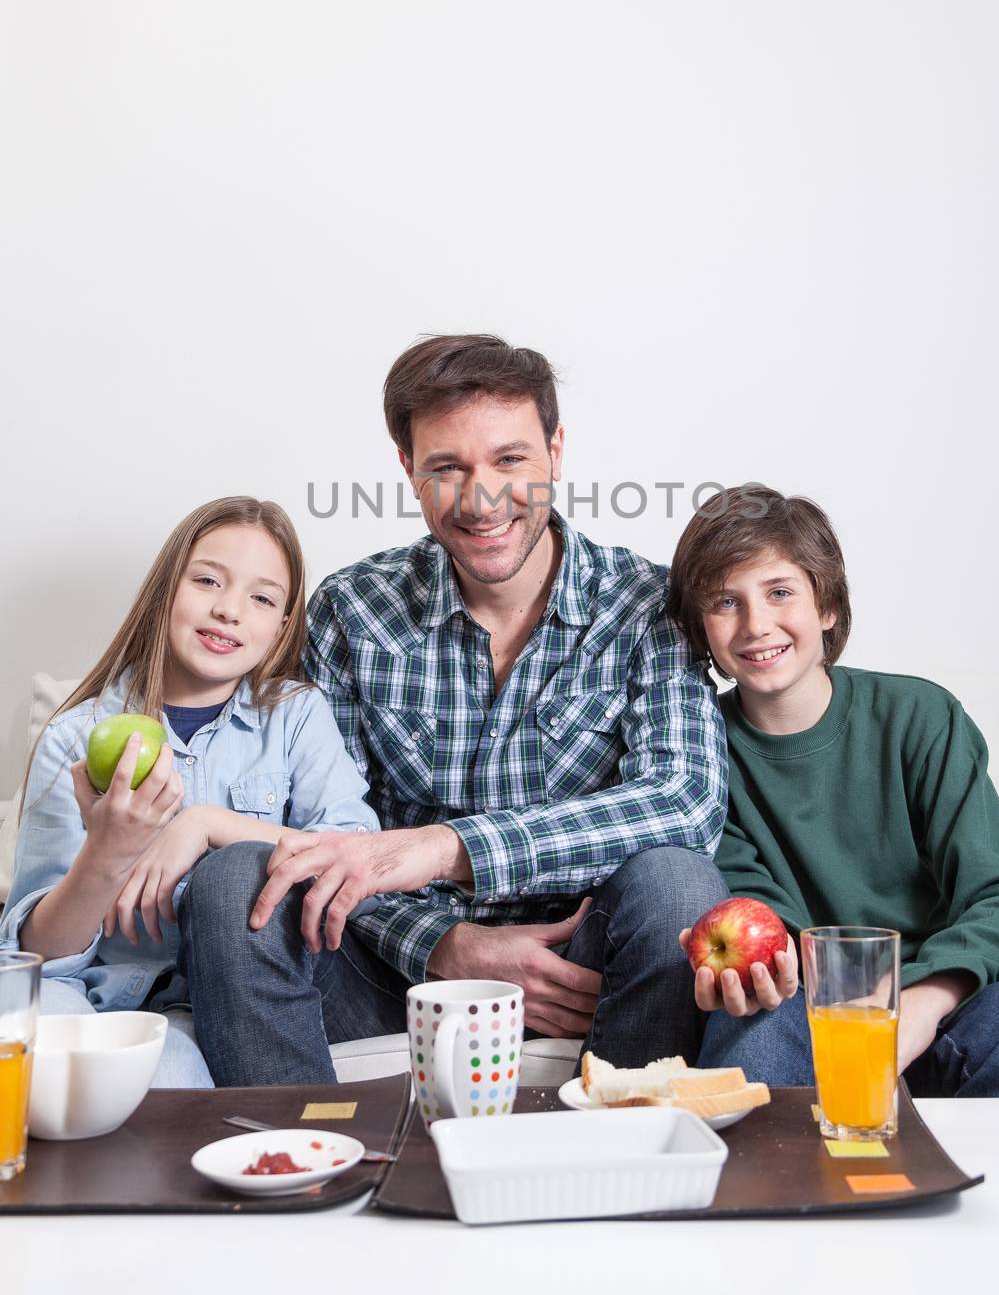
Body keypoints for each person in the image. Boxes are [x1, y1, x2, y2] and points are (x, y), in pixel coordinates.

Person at [178, 335, 730, 1086]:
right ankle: (298, 1161)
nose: (482, 500)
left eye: (510, 460)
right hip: (388, 974)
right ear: (408, 470)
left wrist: (448, 847)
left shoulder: (649, 605)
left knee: (678, 881)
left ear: (555, 452)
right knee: (236, 879)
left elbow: (683, 803)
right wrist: (443, 942)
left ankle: (626, 1144)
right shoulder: (351, 610)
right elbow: (314, 835)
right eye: (447, 468)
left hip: (583, 976)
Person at [666, 485, 999, 1097]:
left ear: (825, 605)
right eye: (725, 602)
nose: (756, 625)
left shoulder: (920, 717)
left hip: (941, 1007)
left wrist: (922, 1004)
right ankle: (776, 1190)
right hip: (804, 1011)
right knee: (753, 1031)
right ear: (702, 630)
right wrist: (754, 977)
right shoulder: (696, 745)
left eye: (779, 592)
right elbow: (757, 914)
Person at [0, 497, 379, 1087]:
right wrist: (106, 853)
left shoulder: (296, 716)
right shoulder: (75, 736)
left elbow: (354, 849)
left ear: (281, 627)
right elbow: (38, 957)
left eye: (262, 598)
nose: (228, 610)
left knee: (173, 1077)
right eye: (207, 581)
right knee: (53, 1054)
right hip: (93, 994)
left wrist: (205, 822)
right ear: (165, 591)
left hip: (223, 1000)